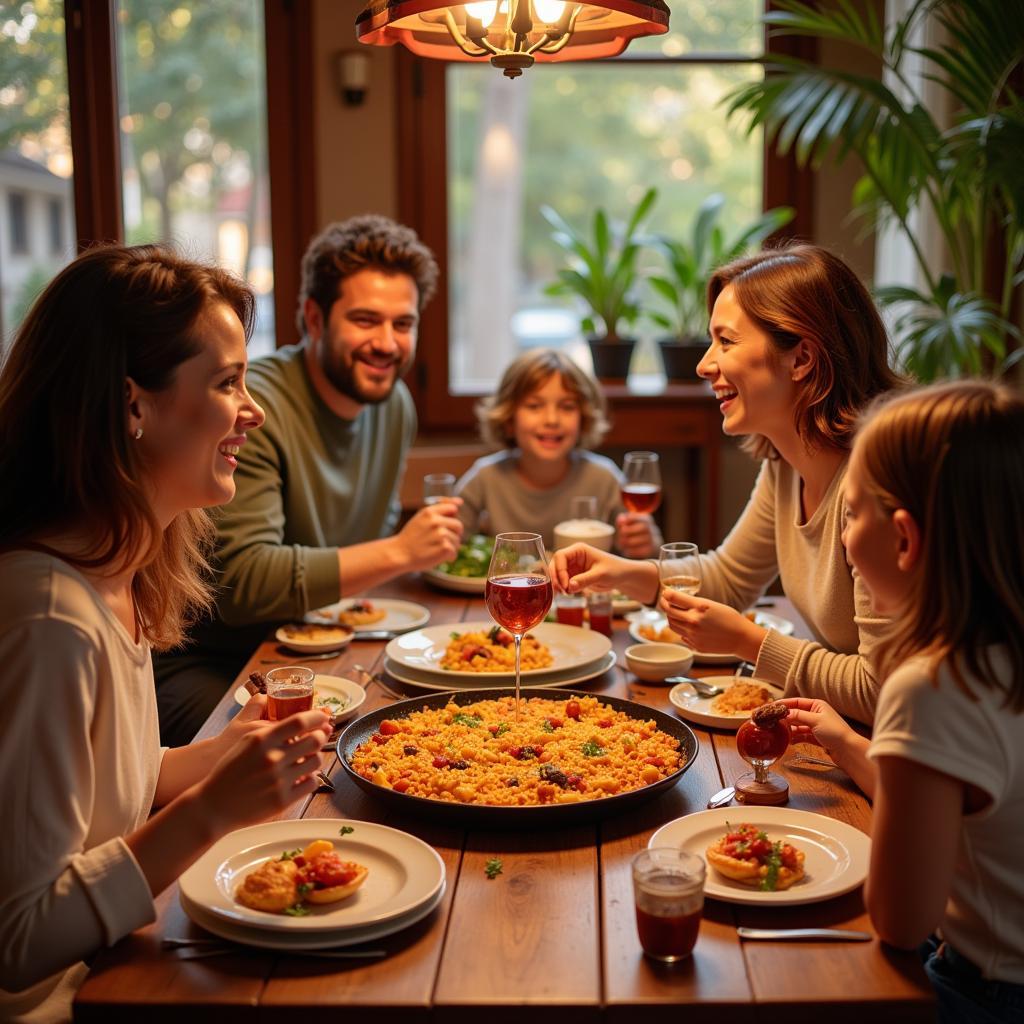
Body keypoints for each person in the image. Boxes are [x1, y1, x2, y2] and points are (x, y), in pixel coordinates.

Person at [0, 245, 333, 1024]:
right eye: (225, 382)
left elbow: (93, 793)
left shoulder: (115, 573)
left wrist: (209, 762)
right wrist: (211, 811)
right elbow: (16, 942)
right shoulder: (49, 617)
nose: (252, 410)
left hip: (117, 967)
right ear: (132, 407)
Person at [553, 243, 904, 723]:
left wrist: (749, 641)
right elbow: (730, 580)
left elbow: (886, 690)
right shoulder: (785, 464)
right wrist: (621, 573)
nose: (703, 365)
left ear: (801, 359)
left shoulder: (881, 483)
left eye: (726, 341)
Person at [154, 215, 464, 746]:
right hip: (213, 664)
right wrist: (400, 552)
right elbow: (244, 586)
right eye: (366, 320)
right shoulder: (260, 409)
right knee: (324, 761)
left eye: (403, 324)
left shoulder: (395, 406)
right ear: (314, 319)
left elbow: (370, 527)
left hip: (314, 649)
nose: (387, 343)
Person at [780, 380, 1024, 1023]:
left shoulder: (934, 686)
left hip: (987, 990)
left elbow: (899, 918)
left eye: (852, 515)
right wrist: (853, 746)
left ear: (907, 540)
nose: (842, 542)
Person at [455, 348, 660, 555]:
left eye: (567, 407)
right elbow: (451, 542)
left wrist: (644, 543)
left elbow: (647, 553)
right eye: (534, 406)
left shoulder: (604, 478)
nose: (551, 420)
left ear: (584, 419)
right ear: (509, 418)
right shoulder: (486, 477)